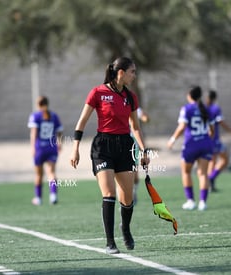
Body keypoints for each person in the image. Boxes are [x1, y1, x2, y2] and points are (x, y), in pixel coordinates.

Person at [70, 57, 149, 254]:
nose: (134, 75)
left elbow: (135, 127)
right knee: (109, 193)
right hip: (102, 146)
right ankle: (110, 242)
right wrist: (75, 148)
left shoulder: (131, 97)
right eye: (132, 71)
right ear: (120, 72)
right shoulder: (97, 92)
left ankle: (126, 228)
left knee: (128, 197)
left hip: (125, 146)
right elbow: (81, 122)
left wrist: (143, 150)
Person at [167, 86, 214, 211]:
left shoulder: (187, 108)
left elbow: (182, 127)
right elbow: (212, 130)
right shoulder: (206, 109)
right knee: (203, 173)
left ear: (190, 95)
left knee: (186, 172)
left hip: (191, 144)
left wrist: (172, 140)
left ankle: (191, 201)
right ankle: (203, 202)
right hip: (205, 144)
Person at [27, 96, 63, 205]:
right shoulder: (54, 116)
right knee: (51, 173)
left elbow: (33, 133)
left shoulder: (36, 116)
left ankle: (38, 198)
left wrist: (32, 147)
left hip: (40, 148)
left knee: (39, 175)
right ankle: (53, 196)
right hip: (52, 148)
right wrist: (59, 143)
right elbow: (60, 131)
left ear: (38, 105)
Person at [206, 90, 231, 191]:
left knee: (212, 160)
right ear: (215, 98)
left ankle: (210, 184)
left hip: (204, 139)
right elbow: (221, 122)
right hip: (213, 139)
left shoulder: (201, 108)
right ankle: (210, 179)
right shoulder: (215, 108)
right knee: (225, 159)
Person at [132, 107, 150, 204]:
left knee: (134, 171)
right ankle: (123, 200)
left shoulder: (132, 106)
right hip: (117, 142)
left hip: (132, 143)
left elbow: (145, 117)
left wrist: (145, 118)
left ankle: (134, 191)